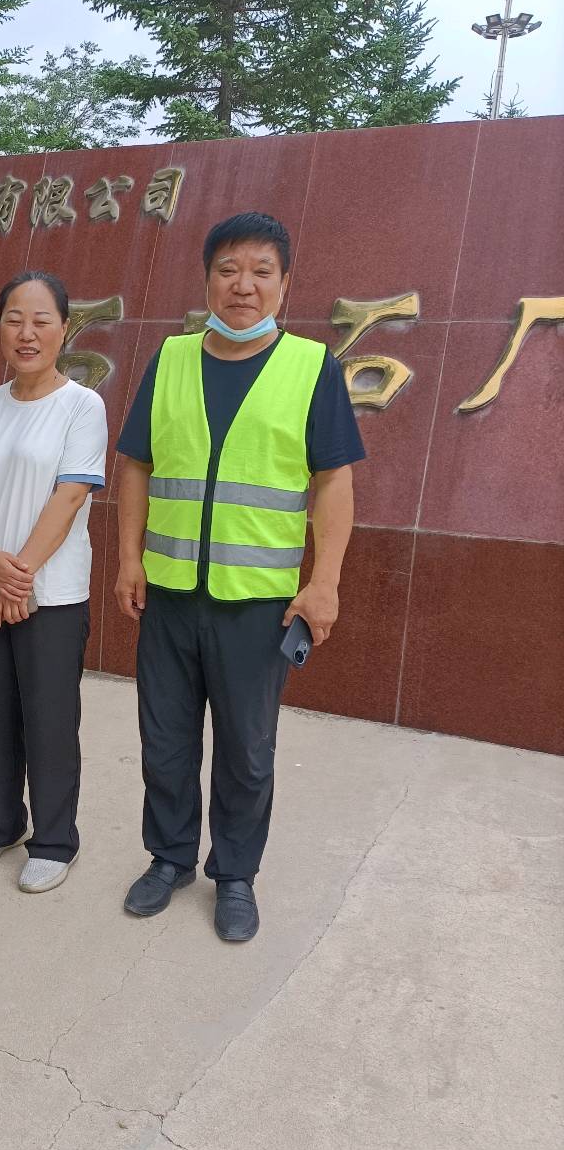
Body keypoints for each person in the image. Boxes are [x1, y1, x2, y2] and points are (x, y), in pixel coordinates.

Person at [116, 212, 365, 940]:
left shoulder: (311, 366)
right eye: (228, 270)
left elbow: (333, 482)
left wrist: (325, 581)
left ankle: (235, 875)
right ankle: (168, 858)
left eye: (261, 271)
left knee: (248, 752)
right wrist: (129, 559)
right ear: (207, 281)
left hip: (257, 605)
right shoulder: (171, 359)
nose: (243, 285)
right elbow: (136, 464)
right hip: (169, 593)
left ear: (285, 284)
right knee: (165, 742)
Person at [0, 272, 108, 893]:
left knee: (49, 718)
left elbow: (70, 496)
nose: (26, 333)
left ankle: (54, 840)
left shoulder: (82, 406)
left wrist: (17, 578)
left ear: (64, 329)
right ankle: (2, 823)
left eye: (41, 321)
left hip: (53, 595)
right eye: (14, 319)